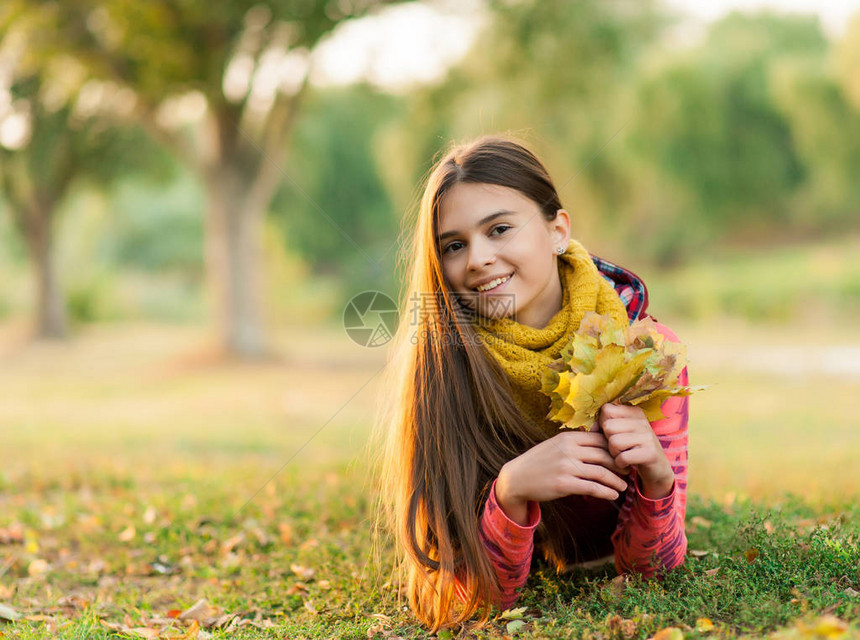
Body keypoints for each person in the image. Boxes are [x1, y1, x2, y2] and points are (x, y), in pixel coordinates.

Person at [370, 135, 689, 634]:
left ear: (557, 229)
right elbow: (462, 600)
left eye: (498, 229)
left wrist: (657, 481)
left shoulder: (644, 355)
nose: (476, 258)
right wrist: (510, 492)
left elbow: (655, 569)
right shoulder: (444, 365)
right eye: (454, 245)